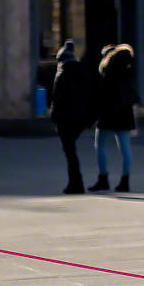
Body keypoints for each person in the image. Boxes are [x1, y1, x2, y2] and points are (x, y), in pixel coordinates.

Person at [47, 40, 96, 195]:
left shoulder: (62, 74)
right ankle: (76, 182)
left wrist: (54, 118)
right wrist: (90, 119)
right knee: (71, 150)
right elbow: (91, 97)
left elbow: (57, 98)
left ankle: (76, 183)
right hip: (81, 118)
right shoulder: (84, 72)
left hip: (65, 119)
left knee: (69, 152)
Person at [90, 44, 139, 192]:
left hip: (108, 115)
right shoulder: (130, 73)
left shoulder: (109, 72)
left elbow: (101, 95)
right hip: (125, 114)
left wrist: (92, 116)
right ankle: (125, 181)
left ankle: (103, 179)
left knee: (101, 147)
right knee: (125, 149)